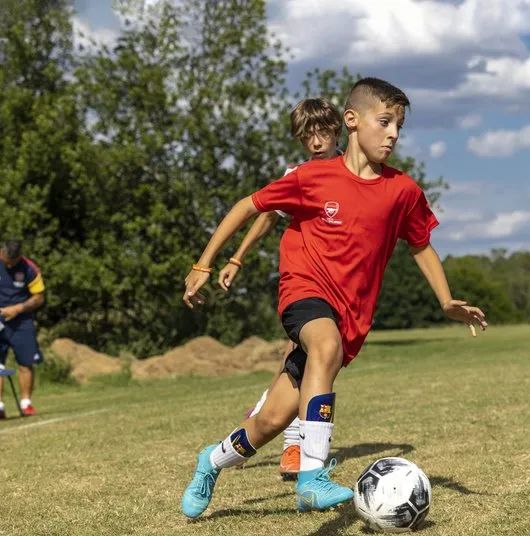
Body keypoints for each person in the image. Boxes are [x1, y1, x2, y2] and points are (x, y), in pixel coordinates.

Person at [180, 77, 487, 519]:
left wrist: (446, 301)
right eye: (384, 122)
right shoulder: (311, 177)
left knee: (271, 421)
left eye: (398, 126)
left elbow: (420, 244)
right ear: (352, 120)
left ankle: (210, 462)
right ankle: (312, 477)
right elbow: (250, 206)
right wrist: (205, 263)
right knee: (324, 344)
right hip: (303, 293)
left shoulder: (402, 191)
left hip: (351, 319)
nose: (393, 134)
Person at [218, 97, 343, 480]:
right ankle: (295, 447)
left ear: (338, 129)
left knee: (304, 362)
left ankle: (266, 412)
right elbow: (265, 215)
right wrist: (236, 258)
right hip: (306, 281)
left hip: (342, 287)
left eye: (322, 132)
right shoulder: (298, 174)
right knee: (306, 350)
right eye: (307, 136)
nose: (316, 141)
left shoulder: (354, 170)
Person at [0, 240, 46, 418]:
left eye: (13, 260)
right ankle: (0, 406)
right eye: (6, 260)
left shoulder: (29, 268)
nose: (10, 264)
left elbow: (39, 296)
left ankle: (26, 403)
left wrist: (17, 309)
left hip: (22, 322)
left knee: (26, 363)